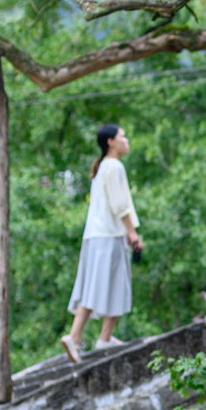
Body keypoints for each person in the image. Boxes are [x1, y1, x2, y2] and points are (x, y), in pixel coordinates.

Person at [61, 123, 144, 363]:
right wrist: (132, 233)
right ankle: (85, 337)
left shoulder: (102, 168)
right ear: (111, 142)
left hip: (95, 236)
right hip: (109, 235)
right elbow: (120, 205)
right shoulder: (114, 166)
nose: (126, 140)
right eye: (123, 136)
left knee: (93, 286)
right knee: (114, 284)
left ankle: (92, 337)